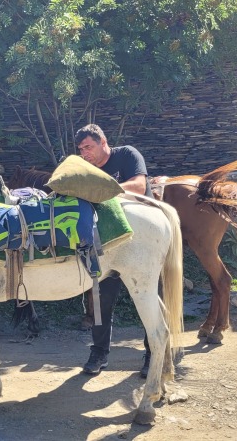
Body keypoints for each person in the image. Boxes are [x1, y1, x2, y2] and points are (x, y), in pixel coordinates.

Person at [75, 124, 152, 377]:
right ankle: (99, 353)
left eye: (89, 147)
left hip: (142, 244)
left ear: (103, 141)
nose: (84, 153)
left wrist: (103, 190)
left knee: (149, 299)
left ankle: (154, 353)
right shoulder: (85, 168)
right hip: (106, 246)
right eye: (81, 149)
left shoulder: (127, 155)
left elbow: (140, 186)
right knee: (99, 301)